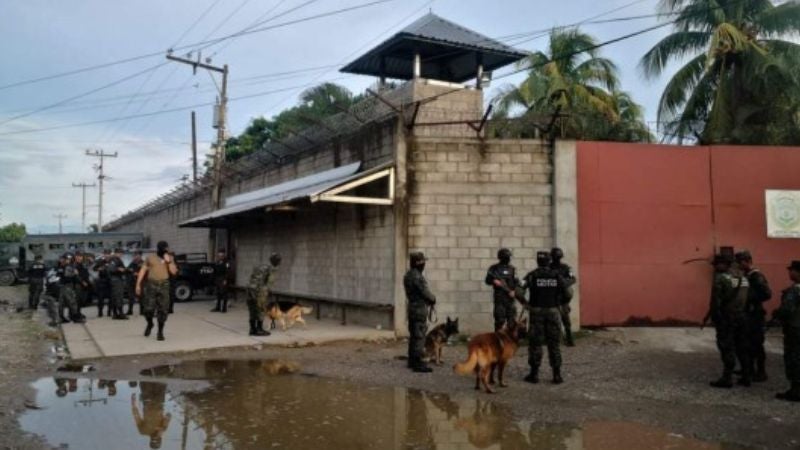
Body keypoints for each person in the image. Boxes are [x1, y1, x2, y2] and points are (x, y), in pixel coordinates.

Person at [706, 254, 751, 388]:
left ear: (724, 264)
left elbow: (715, 302)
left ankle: (727, 378)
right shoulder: (743, 278)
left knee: (726, 346)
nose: (714, 267)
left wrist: (716, 318)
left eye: (716, 264)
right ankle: (747, 376)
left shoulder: (720, 279)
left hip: (727, 318)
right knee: (741, 346)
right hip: (742, 317)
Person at [523, 251, 564, 384]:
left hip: (536, 311)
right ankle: (556, 375)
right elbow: (567, 291)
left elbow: (519, 291)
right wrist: (559, 304)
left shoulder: (532, 275)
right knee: (554, 343)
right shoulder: (556, 275)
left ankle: (534, 375)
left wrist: (525, 304)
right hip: (553, 310)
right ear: (549, 261)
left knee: (535, 343)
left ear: (538, 261)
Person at [735, 250, 772, 382]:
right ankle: (748, 369)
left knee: (756, 344)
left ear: (747, 261)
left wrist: (750, 299)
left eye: (740, 262)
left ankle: (761, 372)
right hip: (747, 315)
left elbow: (767, 294)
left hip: (755, 316)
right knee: (746, 343)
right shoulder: (747, 275)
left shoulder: (756, 276)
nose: (739, 265)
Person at [136, 241, 178, 341]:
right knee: (148, 309)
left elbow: (173, 272)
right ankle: (150, 324)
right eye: (163, 248)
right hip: (151, 284)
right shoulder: (150, 257)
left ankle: (160, 332)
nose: (165, 250)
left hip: (164, 284)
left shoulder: (170, 258)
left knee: (163, 310)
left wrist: (169, 261)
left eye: (166, 248)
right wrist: (138, 284)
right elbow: (143, 270)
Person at [403, 251, 436, 373]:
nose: (424, 265)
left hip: (412, 308)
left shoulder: (408, 275)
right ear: (419, 263)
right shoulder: (416, 276)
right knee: (419, 336)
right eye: (423, 262)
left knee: (414, 335)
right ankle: (417, 363)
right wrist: (433, 299)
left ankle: (412, 361)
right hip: (419, 309)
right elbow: (425, 293)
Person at [772, 260, 800, 402]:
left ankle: (796, 390)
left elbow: (786, 310)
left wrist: (777, 313)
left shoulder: (794, 290)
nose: (789, 273)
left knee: (793, 358)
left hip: (794, 329)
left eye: (791, 270)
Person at [485, 248, 522, 331]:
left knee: (511, 321)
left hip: (510, 299)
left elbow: (517, 283)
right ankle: (498, 341)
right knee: (499, 321)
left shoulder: (512, 269)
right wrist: (494, 281)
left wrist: (514, 291)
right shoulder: (494, 268)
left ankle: (510, 341)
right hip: (500, 299)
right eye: (507, 257)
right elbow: (487, 280)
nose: (508, 259)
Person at [247, 253, 280, 336]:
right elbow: (270, 282)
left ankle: (252, 329)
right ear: (276, 261)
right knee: (261, 309)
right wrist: (269, 291)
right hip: (260, 290)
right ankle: (259, 329)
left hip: (250, 289)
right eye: (279, 261)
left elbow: (252, 276)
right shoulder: (272, 268)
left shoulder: (261, 265)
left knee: (252, 309)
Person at [131, 382, 172, 449]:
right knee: (161, 379)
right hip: (159, 400)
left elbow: (136, 416)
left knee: (146, 379)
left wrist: (133, 403)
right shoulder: (163, 428)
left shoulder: (143, 431)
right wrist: (162, 428)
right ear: (160, 439)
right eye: (157, 440)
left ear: (150, 441)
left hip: (147, 400)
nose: (155, 439)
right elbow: (169, 414)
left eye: (153, 441)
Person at [550, 247, 577, 347]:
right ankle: (559, 340)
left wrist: (564, 284)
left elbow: (573, 279)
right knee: (556, 322)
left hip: (562, 298)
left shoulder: (565, 267)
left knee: (565, 321)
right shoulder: (548, 267)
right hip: (553, 298)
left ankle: (569, 340)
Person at [59, 253, 85, 324]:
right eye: (67, 259)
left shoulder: (61, 266)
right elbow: (68, 276)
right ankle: (75, 317)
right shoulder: (68, 267)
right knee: (72, 302)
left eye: (69, 259)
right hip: (67, 285)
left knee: (62, 302)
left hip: (62, 285)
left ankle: (61, 317)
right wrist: (75, 273)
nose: (68, 261)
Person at [108, 248, 129, 320]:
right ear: (116, 253)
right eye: (120, 253)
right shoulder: (114, 260)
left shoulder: (117, 259)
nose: (121, 254)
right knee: (118, 297)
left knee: (116, 297)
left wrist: (124, 269)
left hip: (117, 279)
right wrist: (119, 269)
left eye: (121, 253)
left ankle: (115, 313)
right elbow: (111, 269)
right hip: (116, 280)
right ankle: (120, 313)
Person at [93, 249, 112, 318]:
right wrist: (99, 269)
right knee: (100, 299)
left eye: (108, 254)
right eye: (106, 254)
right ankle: (100, 312)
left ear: (110, 254)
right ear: (104, 254)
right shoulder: (100, 262)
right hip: (102, 282)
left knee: (111, 298)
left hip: (110, 282)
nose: (107, 255)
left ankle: (109, 312)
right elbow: (94, 268)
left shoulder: (112, 261)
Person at [127, 251, 144, 315]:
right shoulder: (132, 263)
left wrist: (138, 273)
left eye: (137, 255)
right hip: (131, 282)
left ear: (140, 255)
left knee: (141, 297)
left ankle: (142, 311)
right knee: (130, 297)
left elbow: (145, 271)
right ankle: (130, 311)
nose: (135, 256)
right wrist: (130, 271)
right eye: (134, 255)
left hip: (140, 282)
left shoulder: (143, 263)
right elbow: (128, 270)